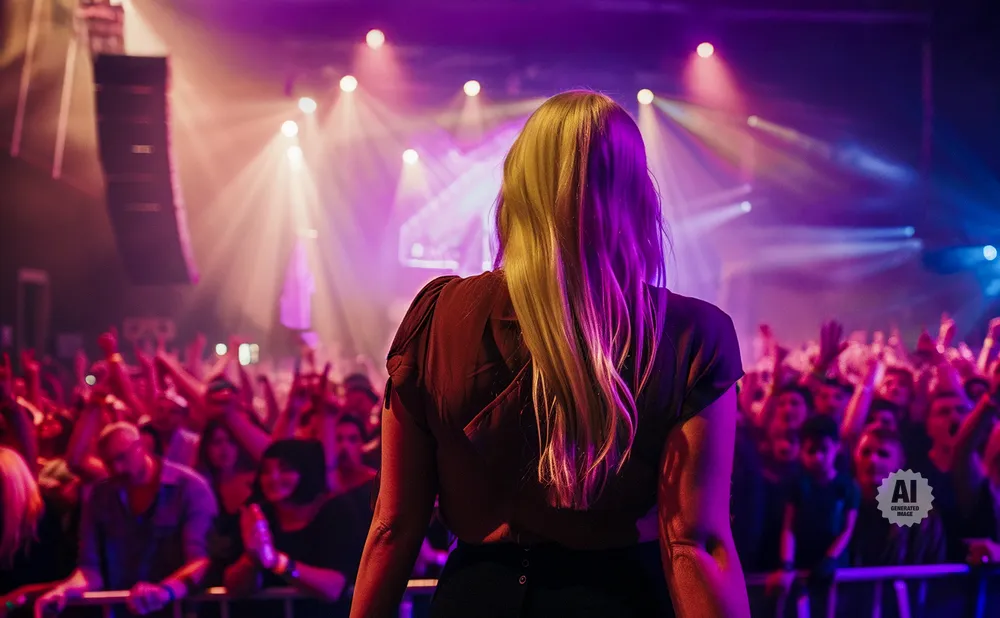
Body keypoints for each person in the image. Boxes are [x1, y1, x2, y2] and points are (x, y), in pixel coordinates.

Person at [350, 91, 749, 618]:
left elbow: (393, 526)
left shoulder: (437, 316)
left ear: (516, 187)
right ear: (637, 196)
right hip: (617, 600)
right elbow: (693, 543)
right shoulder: (692, 336)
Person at [34, 422, 216, 617]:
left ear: (142, 446)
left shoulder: (189, 488)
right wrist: (65, 591)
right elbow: (89, 570)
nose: (117, 468)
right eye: (109, 463)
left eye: (122, 457)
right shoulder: (101, 496)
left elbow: (201, 561)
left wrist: (164, 591)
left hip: (177, 611)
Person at [222, 439, 366, 618]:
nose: (273, 478)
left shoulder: (336, 510)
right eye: (266, 471)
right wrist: (250, 559)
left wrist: (278, 562)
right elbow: (234, 588)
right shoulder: (259, 514)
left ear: (307, 470)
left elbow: (333, 588)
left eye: (285, 470)